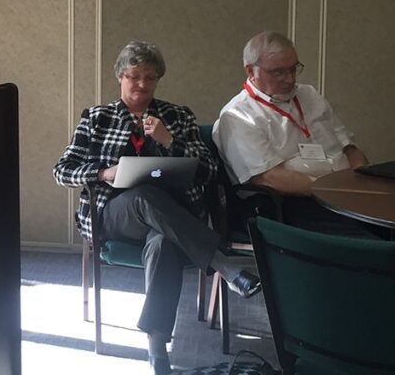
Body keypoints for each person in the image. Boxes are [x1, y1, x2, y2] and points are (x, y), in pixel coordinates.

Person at [54, 41, 260, 375]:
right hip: (115, 215)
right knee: (143, 195)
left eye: (150, 78)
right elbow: (62, 170)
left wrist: (170, 142)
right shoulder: (97, 117)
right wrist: (103, 173)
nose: (142, 85)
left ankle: (157, 353)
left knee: (162, 242)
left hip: (171, 221)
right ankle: (224, 265)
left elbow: (207, 170)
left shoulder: (177, 116)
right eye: (134, 76)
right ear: (121, 76)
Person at [213, 31, 372, 235]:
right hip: (293, 203)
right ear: (250, 71)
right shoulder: (238, 115)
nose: (289, 79)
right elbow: (268, 178)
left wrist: (363, 180)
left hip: (347, 193)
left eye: (293, 69)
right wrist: (332, 191)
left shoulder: (310, 95)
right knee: (370, 246)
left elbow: (350, 149)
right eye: (278, 72)